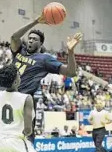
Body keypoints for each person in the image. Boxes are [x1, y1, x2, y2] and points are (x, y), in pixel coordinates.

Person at [11, 13, 82, 142]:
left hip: (25, 100)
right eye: (30, 38)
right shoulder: (19, 50)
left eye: (35, 39)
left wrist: (70, 52)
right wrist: (36, 21)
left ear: (41, 43)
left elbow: (71, 72)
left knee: (25, 139)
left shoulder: (45, 59)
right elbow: (14, 37)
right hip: (9, 97)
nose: (31, 40)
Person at [0, 64, 36, 152]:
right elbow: (28, 130)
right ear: (15, 82)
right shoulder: (26, 98)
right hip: (16, 143)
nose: (20, 77)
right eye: (19, 75)